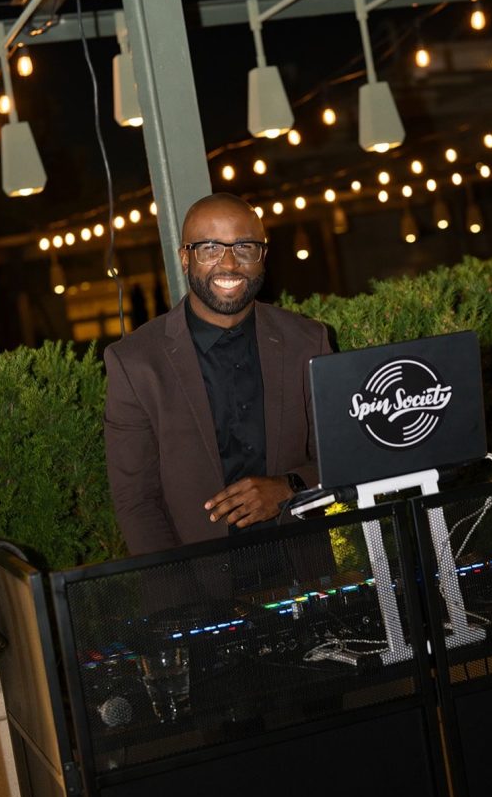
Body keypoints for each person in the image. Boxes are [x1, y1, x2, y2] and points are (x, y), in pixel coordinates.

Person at [103, 192, 333, 556]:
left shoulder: (308, 340)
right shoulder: (134, 363)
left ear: (263, 257)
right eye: (210, 248)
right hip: (198, 583)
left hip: (303, 568)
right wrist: (183, 599)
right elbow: (137, 501)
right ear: (185, 257)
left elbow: (340, 456)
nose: (229, 263)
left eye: (244, 247)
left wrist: (290, 486)